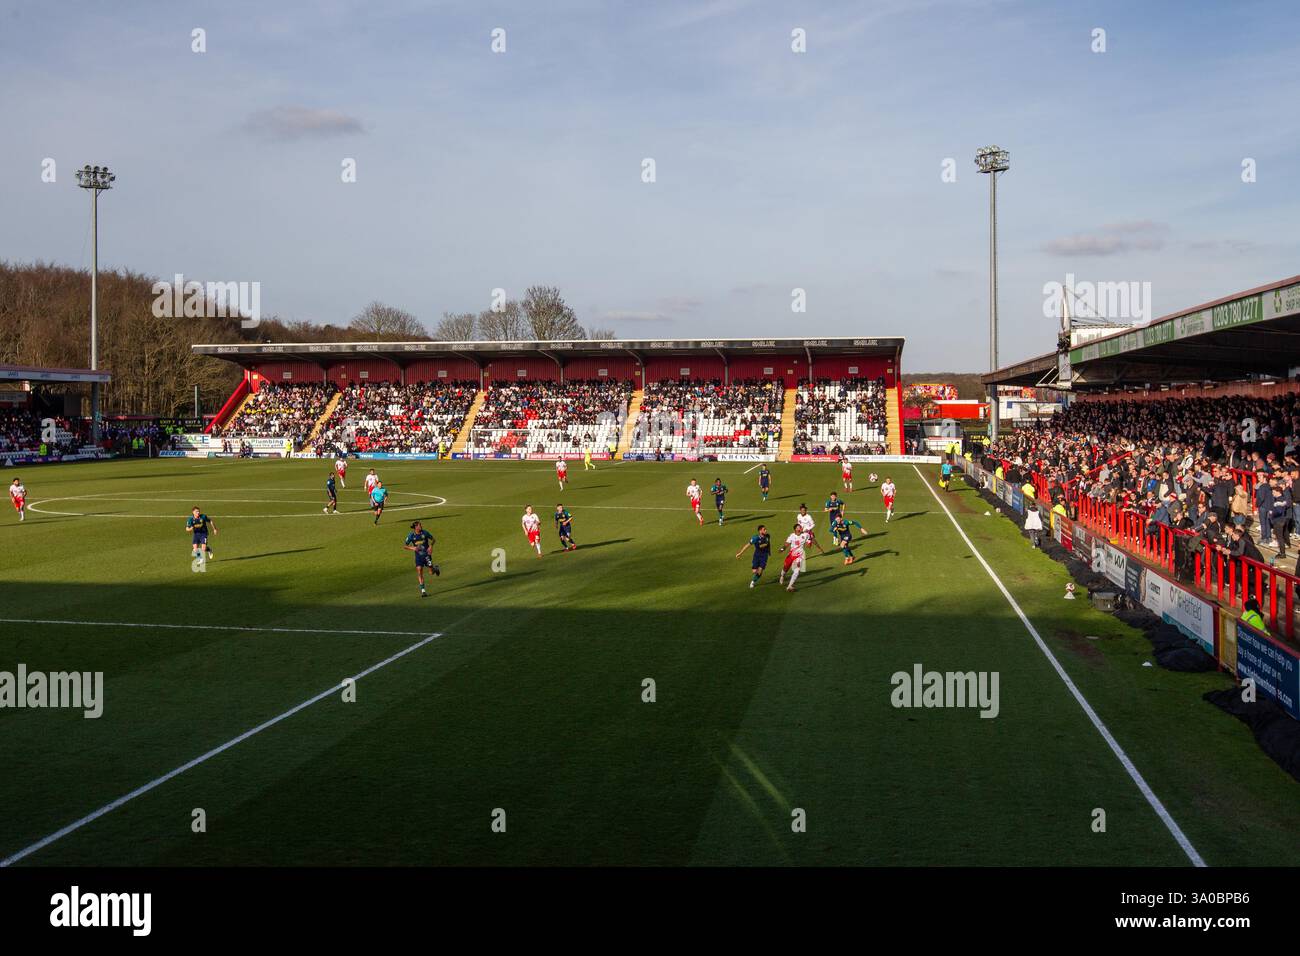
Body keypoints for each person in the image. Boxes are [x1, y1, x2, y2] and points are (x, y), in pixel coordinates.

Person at [402, 521, 440, 598]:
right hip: (418, 557)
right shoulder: (411, 536)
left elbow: (433, 539)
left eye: (421, 525)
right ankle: (423, 591)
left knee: (431, 572)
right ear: (416, 527)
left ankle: (435, 569)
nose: (421, 526)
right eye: (419, 525)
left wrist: (431, 546)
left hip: (427, 556)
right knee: (419, 571)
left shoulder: (425, 533)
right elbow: (405, 546)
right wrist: (413, 548)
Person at [735, 524, 772, 588]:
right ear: (760, 531)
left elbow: (767, 544)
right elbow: (748, 545)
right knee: (754, 571)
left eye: (766, 529)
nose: (766, 530)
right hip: (757, 555)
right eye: (764, 529)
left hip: (764, 555)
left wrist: (769, 552)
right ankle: (757, 575)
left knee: (760, 571)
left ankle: (753, 582)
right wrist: (740, 553)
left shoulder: (767, 536)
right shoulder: (755, 538)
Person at [778, 522, 805, 591]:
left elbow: (809, 542)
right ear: (795, 529)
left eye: (800, 527)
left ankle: (790, 586)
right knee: (785, 568)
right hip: (791, 555)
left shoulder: (805, 535)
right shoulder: (792, 536)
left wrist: (809, 542)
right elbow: (787, 544)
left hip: (799, 556)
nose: (800, 528)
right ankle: (782, 576)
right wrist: (782, 549)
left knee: (797, 571)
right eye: (799, 527)